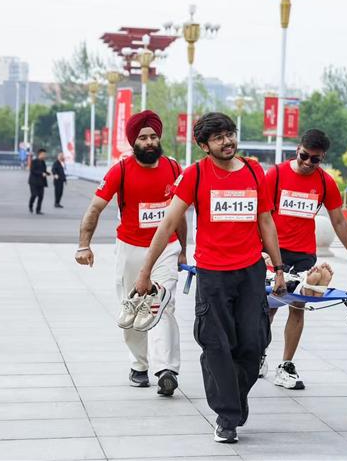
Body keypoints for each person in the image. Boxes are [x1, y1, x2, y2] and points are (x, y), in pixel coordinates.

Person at [135, 112, 286, 444]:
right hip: (213, 275)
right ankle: (227, 416)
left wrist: (278, 268)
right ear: (204, 146)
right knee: (216, 345)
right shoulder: (196, 175)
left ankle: (234, 396)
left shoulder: (254, 171)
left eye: (230, 134)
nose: (228, 141)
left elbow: (265, 221)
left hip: (250, 272)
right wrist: (145, 272)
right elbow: (168, 223)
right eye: (219, 138)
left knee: (253, 343)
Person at [75, 110, 187, 395]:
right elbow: (95, 208)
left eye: (153, 137)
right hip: (130, 248)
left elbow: (179, 215)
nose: (149, 142)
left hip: (166, 249)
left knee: (163, 304)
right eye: (143, 138)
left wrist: (184, 250)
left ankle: (166, 370)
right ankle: (139, 365)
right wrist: (84, 245)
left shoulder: (174, 168)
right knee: (132, 308)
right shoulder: (121, 170)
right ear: (133, 142)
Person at [262, 129, 347, 389]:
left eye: (315, 159)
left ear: (322, 158)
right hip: (273, 251)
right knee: (269, 307)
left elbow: (338, 221)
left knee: (298, 306)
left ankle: (286, 365)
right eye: (304, 156)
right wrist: (261, 251)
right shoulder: (275, 174)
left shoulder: (325, 182)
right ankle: (258, 354)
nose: (308, 163)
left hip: (304, 255)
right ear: (298, 149)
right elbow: (261, 216)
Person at [28, 149, 51, 214]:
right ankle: (30, 205)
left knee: (41, 196)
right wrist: (41, 173)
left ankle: (38, 210)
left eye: (45, 154)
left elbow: (44, 171)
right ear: (40, 154)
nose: (45, 156)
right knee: (34, 195)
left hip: (41, 182)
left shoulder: (43, 162)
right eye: (44, 154)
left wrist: (48, 173)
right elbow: (32, 170)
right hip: (33, 181)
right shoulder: (34, 161)